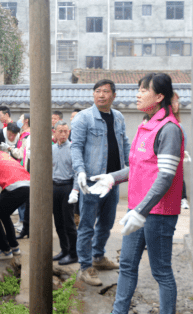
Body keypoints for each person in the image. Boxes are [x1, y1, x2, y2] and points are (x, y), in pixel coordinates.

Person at [89, 73, 184, 314]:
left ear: (159, 96)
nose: (138, 94)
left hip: (158, 212)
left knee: (161, 271)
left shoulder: (169, 129)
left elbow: (165, 176)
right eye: (138, 89)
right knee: (128, 264)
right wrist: (113, 177)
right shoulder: (146, 125)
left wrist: (141, 211)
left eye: (144, 90)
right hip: (137, 209)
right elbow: (138, 167)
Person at [70, 79, 131, 286]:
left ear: (114, 95)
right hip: (91, 182)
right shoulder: (83, 118)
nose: (101, 95)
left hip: (112, 181)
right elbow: (75, 147)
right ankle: (85, 267)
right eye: (97, 91)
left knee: (106, 223)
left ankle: (98, 257)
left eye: (106, 91)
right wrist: (79, 172)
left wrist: (134, 167)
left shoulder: (119, 117)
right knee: (87, 226)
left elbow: (125, 144)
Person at [51, 121, 79, 265]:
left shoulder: (73, 149)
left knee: (69, 222)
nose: (63, 134)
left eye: (65, 131)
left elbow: (76, 172)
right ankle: (64, 250)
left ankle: (74, 254)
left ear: (69, 132)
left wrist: (75, 190)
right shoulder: (52, 149)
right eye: (60, 131)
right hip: (54, 187)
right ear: (54, 132)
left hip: (67, 187)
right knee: (58, 222)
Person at [12, 114, 31, 234]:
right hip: (20, 168)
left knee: (23, 197)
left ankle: (23, 220)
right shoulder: (22, 134)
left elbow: (21, 154)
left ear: (26, 121)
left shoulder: (28, 136)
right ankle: (21, 219)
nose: (18, 120)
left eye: (20, 118)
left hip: (25, 168)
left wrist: (11, 150)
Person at [171, 92, 190, 210]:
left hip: (175, 159)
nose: (176, 105)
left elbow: (184, 143)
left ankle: (183, 199)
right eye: (173, 101)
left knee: (178, 177)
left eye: (177, 102)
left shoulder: (178, 125)